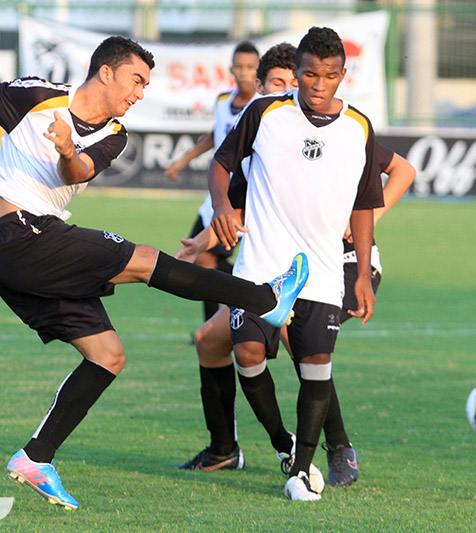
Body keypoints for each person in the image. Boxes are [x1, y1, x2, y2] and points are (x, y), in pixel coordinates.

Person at [0, 36, 309, 511]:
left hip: (28, 254)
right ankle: (264, 300)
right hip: (20, 236)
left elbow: (76, 171)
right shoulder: (39, 95)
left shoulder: (113, 133)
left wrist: (63, 148)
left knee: (108, 354)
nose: (140, 93)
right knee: (143, 260)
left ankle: (37, 457)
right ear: (106, 72)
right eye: (136, 80)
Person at [204, 26, 386, 502]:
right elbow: (222, 164)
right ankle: (283, 445)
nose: (317, 84)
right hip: (260, 265)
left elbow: (365, 205)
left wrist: (363, 273)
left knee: (316, 365)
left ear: (342, 76)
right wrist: (222, 205)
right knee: (246, 354)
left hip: (323, 270)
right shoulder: (265, 112)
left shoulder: (359, 128)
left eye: (328, 76)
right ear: (298, 74)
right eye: (309, 74)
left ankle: (301, 470)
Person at [175, 42, 299, 471]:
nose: (284, 92)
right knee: (210, 341)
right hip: (255, 264)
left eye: (292, 84)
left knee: (305, 349)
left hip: (297, 269)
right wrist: (203, 240)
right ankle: (225, 449)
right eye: (276, 84)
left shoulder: (310, 136)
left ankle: (333, 447)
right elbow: (236, 194)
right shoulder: (252, 129)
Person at [164, 41, 260, 322]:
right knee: (201, 258)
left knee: (205, 260)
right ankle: (243, 296)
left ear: (259, 72)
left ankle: (251, 295)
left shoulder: (263, 106)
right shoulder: (222, 101)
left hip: (242, 197)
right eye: (239, 66)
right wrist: (183, 160)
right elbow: (214, 136)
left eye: (250, 67)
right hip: (216, 194)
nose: (243, 73)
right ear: (231, 68)